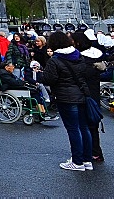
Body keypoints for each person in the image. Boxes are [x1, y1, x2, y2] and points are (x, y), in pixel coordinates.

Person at [41, 30, 99, 171]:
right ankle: (87, 160)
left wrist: (40, 74)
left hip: (66, 97)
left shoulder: (55, 60)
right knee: (84, 128)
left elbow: (49, 79)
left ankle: (77, 161)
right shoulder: (78, 56)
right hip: (81, 94)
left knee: (73, 129)